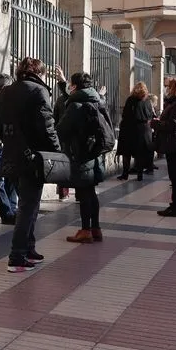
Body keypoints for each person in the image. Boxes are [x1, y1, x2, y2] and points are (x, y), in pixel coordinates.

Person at [0, 57, 61, 273]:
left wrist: (12, 141)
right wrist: (57, 150)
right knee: (28, 207)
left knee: (28, 205)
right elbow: (47, 126)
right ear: (39, 72)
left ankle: (29, 248)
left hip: (11, 155)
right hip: (33, 157)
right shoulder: (39, 91)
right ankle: (17, 256)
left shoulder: (6, 92)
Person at [58, 73, 113, 243]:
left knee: (83, 193)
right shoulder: (98, 100)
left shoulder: (76, 106)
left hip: (81, 154)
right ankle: (96, 228)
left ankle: (85, 230)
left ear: (74, 86)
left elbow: (61, 130)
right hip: (96, 154)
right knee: (91, 192)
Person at [152, 78, 176, 217]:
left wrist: (156, 124)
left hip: (175, 142)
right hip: (173, 142)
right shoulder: (175, 103)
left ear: (174, 88)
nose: (167, 89)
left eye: (169, 87)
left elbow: (174, 124)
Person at [0, 74, 17, 224]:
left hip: (1, 144)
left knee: (3, 179)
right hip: (3, 144)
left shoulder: (1, 102)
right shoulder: (3, 102)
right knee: (5, 179)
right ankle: (10, 211)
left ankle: (9, 212)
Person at [116, 82, 154, 181]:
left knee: (126, 153)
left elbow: (125, 114)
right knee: (140, 153)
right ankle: (140, 174)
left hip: (129, 129)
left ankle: (125, 174)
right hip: (143, 130)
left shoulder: (130, 100)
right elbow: (150, 115)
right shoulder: (147, 101)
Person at [53, 66, 72, 201]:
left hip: (63, 135)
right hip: (68, 136)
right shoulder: (64, 99)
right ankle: (64, 192)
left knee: (64, 163)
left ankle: (64, 192)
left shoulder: (62, 99)